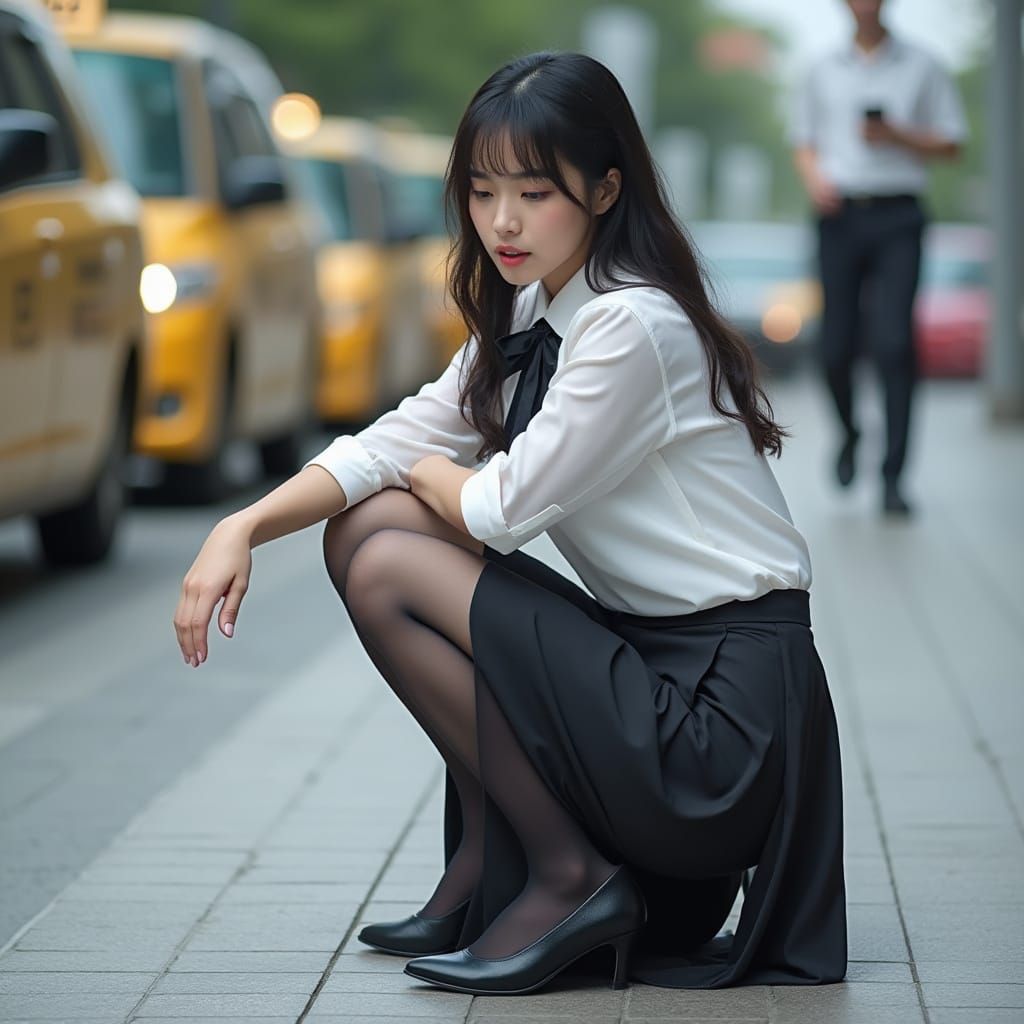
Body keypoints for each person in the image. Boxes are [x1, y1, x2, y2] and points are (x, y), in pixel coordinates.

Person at [174, 51, 847, 994]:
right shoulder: (539, 311)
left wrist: (427, 469)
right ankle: (500, 860)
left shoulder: (631, 325)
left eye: (534, 192)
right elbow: (393, 438)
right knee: (365, 530)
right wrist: (240, 526)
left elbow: (496, 509)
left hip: (719, 729)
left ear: (605, 189)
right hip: (654, 671)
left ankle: (570, 875)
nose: (502, 221)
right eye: (483, 191)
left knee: (392, 554)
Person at [791, 0, 967, 516]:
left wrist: (898, 134)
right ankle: (849, 432)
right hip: (839, 215)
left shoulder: (924, 64)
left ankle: (893, 476)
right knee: (834, 347)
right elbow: (804, 141)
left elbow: (953, 144)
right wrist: (815, 180)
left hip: (898, 214)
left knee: (894, 343)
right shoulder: (821, 67)